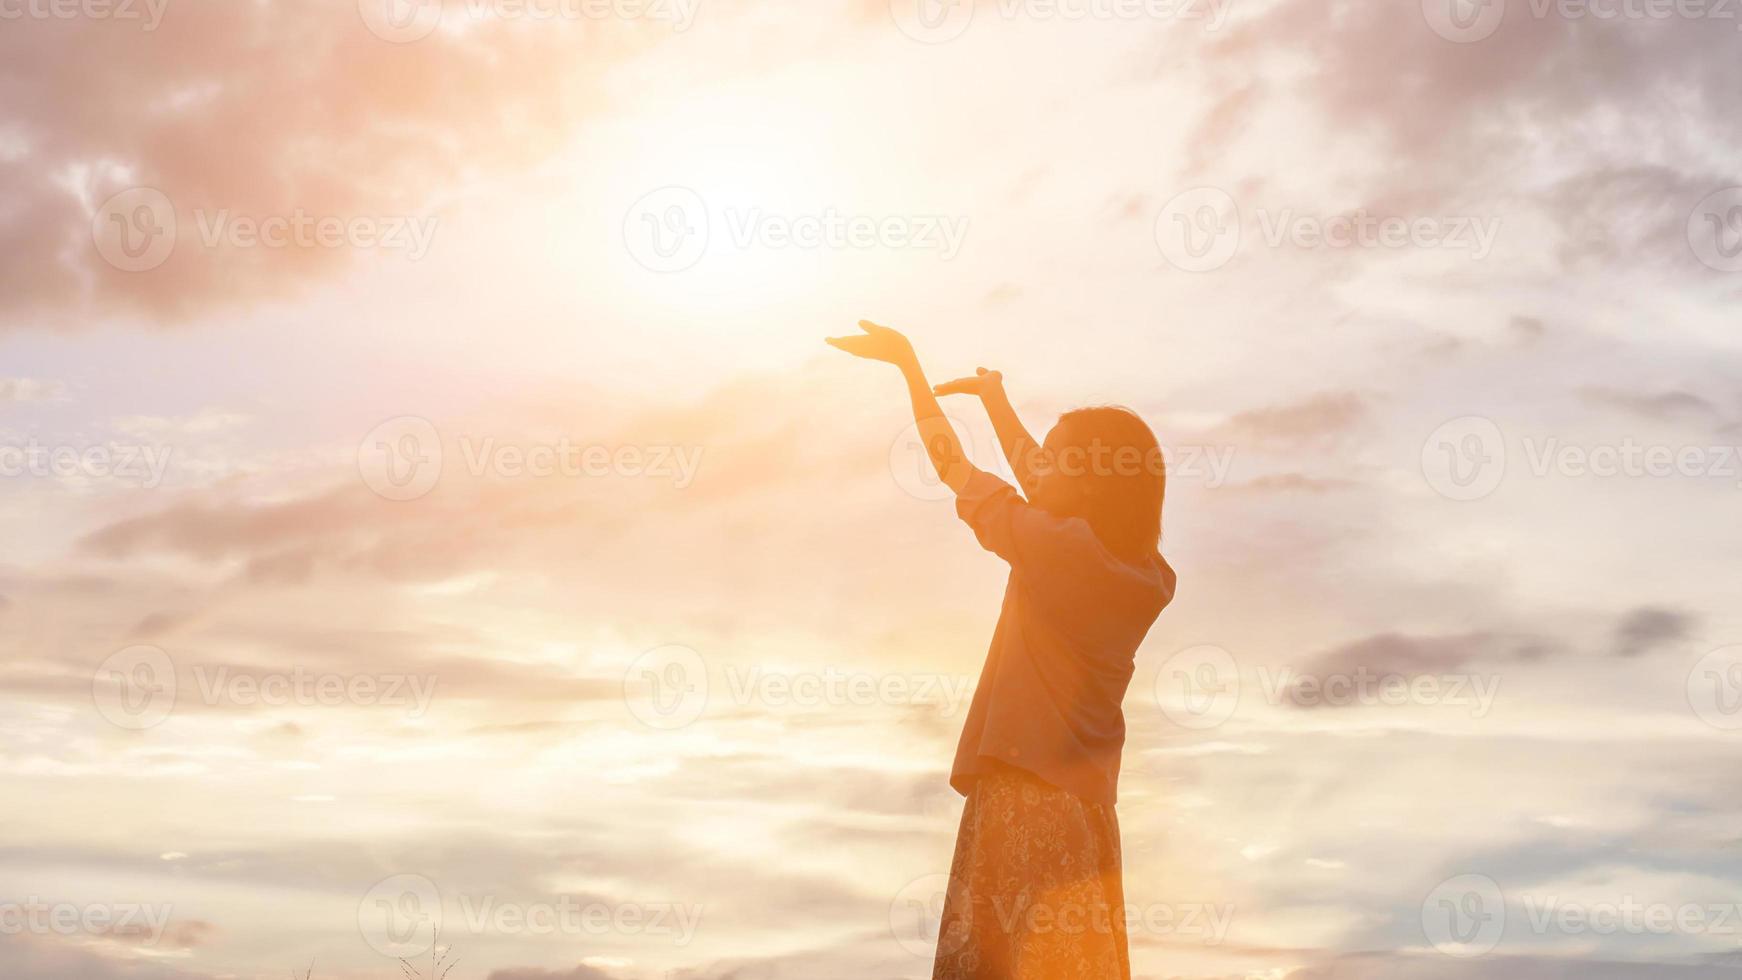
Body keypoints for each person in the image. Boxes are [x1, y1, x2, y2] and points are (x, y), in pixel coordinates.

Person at [828, 319, 1177, 980]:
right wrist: (995, 400)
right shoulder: (1146, 574)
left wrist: (909, 367)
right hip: (1087, 814)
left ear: (1092, 481)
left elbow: (952, 466)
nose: (1036, 467)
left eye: (1055, 457)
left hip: (1022, 795)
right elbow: (1050, 486)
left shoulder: (1054, 548)